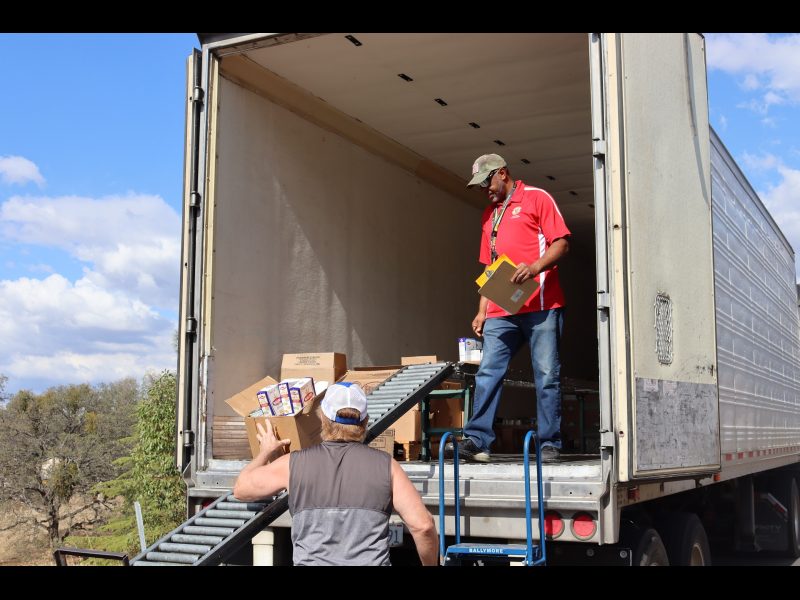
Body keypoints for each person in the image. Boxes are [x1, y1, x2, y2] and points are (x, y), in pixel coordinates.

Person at [445, 153, 571, 463]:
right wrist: (482, 310)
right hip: (502, 309)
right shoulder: (489, 215)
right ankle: (477, 439)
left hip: (541, 305)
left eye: (486, 181)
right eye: (479, 186)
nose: (484, 189)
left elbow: (562, 243)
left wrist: (535, 267)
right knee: (488, 371)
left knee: (546, 374)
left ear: (503, 173)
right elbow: (491, 267)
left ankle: (548, 443)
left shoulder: (536, 198)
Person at [233, 382, 438, 566]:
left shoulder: (293, 464)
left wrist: (266, 451)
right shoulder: (387, 466)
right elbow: (423, 526)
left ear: (322, 418)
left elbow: (242, 489)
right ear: (365, 421)